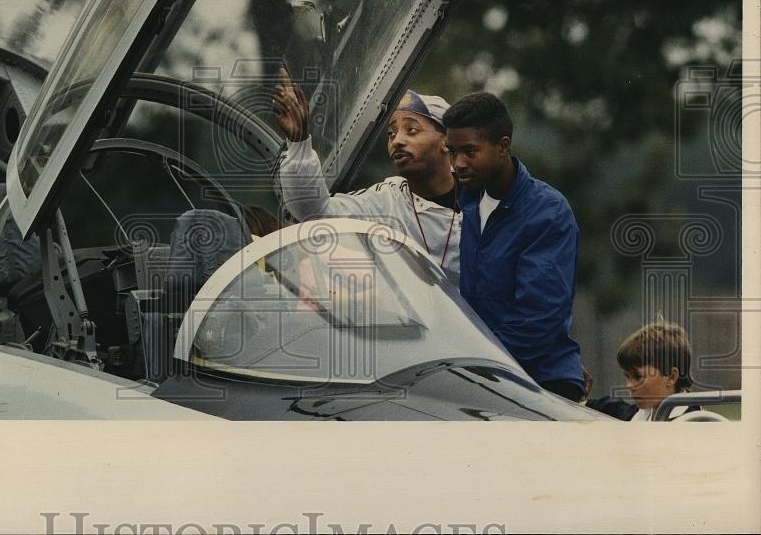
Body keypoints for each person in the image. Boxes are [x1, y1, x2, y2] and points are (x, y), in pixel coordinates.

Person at [442, 91, 584, 400]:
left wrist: (470, 364)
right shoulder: (467, 201)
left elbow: (538, 321)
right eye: (451, 152)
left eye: (469, 151)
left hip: (540, 384)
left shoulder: (547, 212)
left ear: (503, 147)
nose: (457, 164)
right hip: (486, 377)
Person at [272, 67, 460, 277]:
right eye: (391, 133)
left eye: (411, 130)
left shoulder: (484, 201)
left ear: (447, 142)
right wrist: (299, 142)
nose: (397, 141)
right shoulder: (387, 199)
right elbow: (315, 212)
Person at [586, 322, 697, 421]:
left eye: (637, 377)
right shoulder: (644, 413)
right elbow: (615, 408)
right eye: (627, 376)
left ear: (671, 377)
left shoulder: (694, 423)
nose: (629, 385)